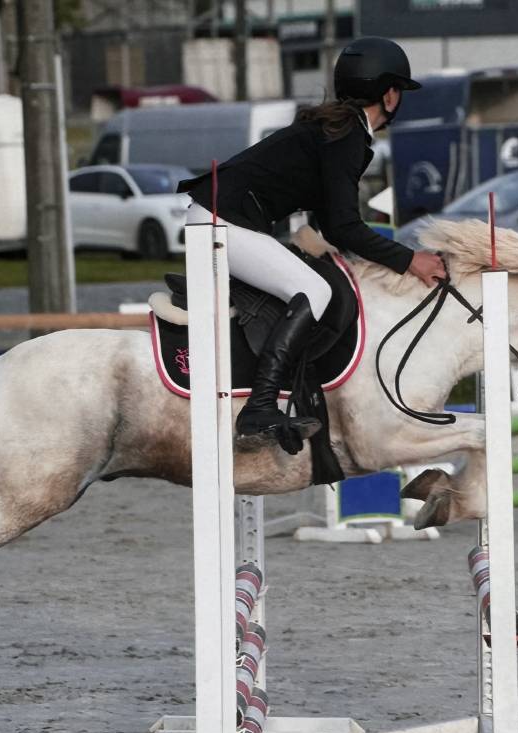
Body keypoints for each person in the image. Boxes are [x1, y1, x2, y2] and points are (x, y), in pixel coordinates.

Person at [179, 36, 446, 452]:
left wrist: (370, 259)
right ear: (390, 95)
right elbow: (344, 225)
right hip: (222, 221)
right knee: (314, 291)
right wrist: (410, 260)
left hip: (219, 215)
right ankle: (260, 407)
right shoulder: (348, 136)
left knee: (315, 283)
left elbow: (333, 225)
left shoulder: (336, 129)